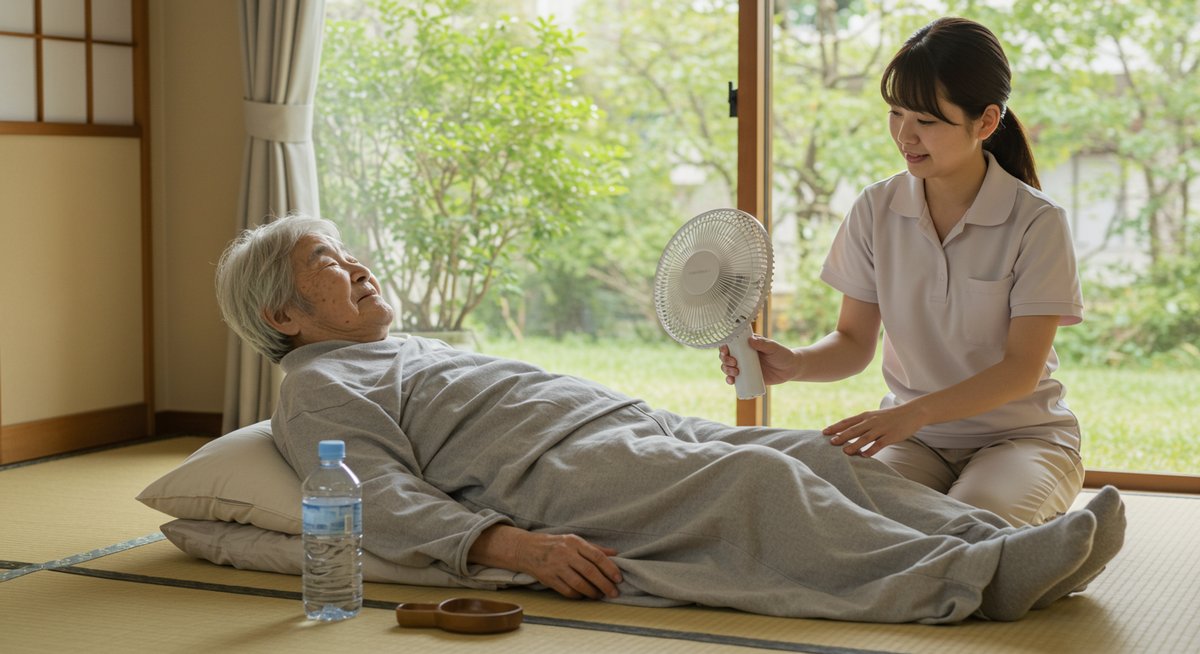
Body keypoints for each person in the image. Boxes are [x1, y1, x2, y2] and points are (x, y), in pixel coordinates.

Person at [214, 214, 1124, 624]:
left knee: (812, 455)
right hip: (552, 476)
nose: (360, 266)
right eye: (330, 264)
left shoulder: (399, 347)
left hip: (619, 421)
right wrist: (513, 548)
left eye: (347, 251)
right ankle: (963, 583)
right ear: (284, 317)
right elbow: (375, 490)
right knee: (758, 483)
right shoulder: (318, 384)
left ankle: (987, 542)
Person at [720, 17, 1085, 527]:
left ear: (984, 122)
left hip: (1019, 437)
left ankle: (1069, 540)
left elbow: (1020, 370)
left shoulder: (1037, 222)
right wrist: (794, 363)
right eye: (895, 113)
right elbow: (852, 341)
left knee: (973, 525)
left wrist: (914, 411)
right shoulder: (876, 208)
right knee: (848, 524)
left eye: (927, 121)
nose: (905, 135)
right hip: (915, 441)